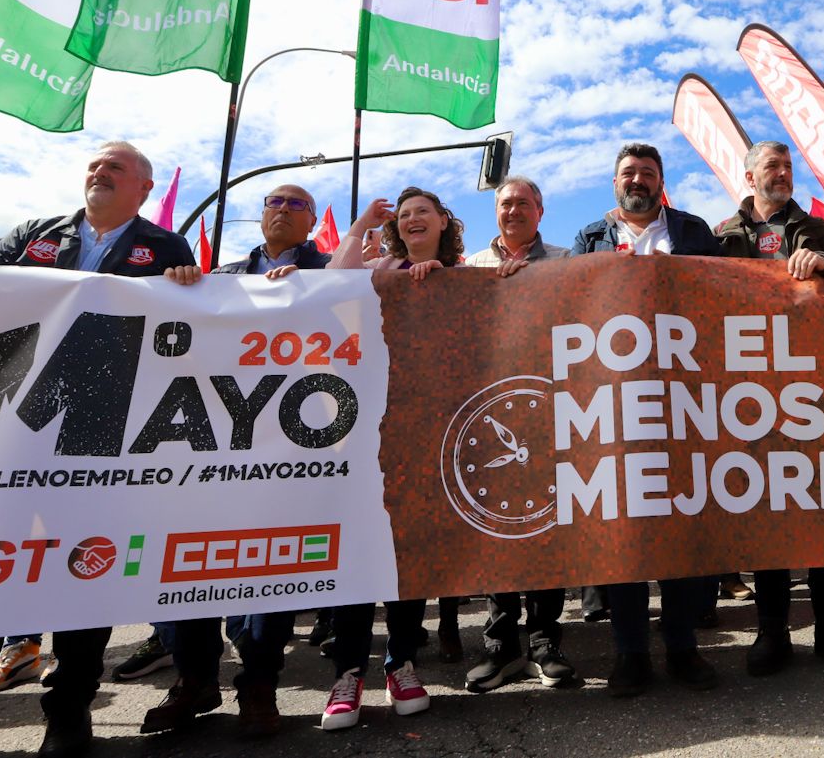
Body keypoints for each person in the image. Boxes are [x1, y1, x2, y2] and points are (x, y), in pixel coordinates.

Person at [0, 143, 193, 758]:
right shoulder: (32, 235)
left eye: (116, 168)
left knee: (86, 576)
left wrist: (189, 287)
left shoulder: (167, 249)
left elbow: (186, 331)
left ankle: (69, 715)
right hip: (11, 434)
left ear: (144, 188)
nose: (99, 173)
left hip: (103, 438)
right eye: (95, 165)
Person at [140, 184, 330, 738]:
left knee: (269, 570)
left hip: (289, 443)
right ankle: (194, 678)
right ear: (261, 212)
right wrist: (178, 288)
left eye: (298, 205)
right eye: (276, 201)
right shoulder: (218, 277)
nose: (284, 210)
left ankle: (259, 683)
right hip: (208, 442)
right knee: (184, 563)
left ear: (313, 220)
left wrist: (315, 290)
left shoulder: (333, 271)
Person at [713, 141, 824, 676]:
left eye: (788, 167)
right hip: (753, 391)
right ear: (750, 175)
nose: (782, 174)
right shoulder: (722, 235)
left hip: (816, 387)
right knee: (770, 513)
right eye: (772, 167)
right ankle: (772, 632)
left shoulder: (813, 225)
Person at [572, 142, 722, 697]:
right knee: (625, 537)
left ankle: (683, 648)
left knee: (684, 528)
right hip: (613, 408)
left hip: (686, 402)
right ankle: (630, 654)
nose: (637, 179)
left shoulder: (693, 229)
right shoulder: (589, 238)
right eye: (628, 172)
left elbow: (734, 291)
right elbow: (559, 303)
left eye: (647, 173)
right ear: (614, 182)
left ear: (662, 182)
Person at [316, 186, 467, 728]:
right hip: (367, 429)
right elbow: (332, 283)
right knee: (361, 551)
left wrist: (445, 286)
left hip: (433, 433)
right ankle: (347, 672)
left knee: (409, 554)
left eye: (421, 212)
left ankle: (401, 662)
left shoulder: (467, 273)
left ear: (443, 221)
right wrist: (361, 227)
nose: (410, 221)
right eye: (403, 216)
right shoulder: (378, 266)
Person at [461, 176, 578, 691]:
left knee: (545, 530)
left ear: (540, 210)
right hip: (487, 411)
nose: (513, 210)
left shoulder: (566, 259)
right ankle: (499, 645)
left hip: (547, 409)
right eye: (505, 203)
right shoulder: (468, 269)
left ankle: (545, 642)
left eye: (523, 203)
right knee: (497, 533)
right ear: (496, 212)